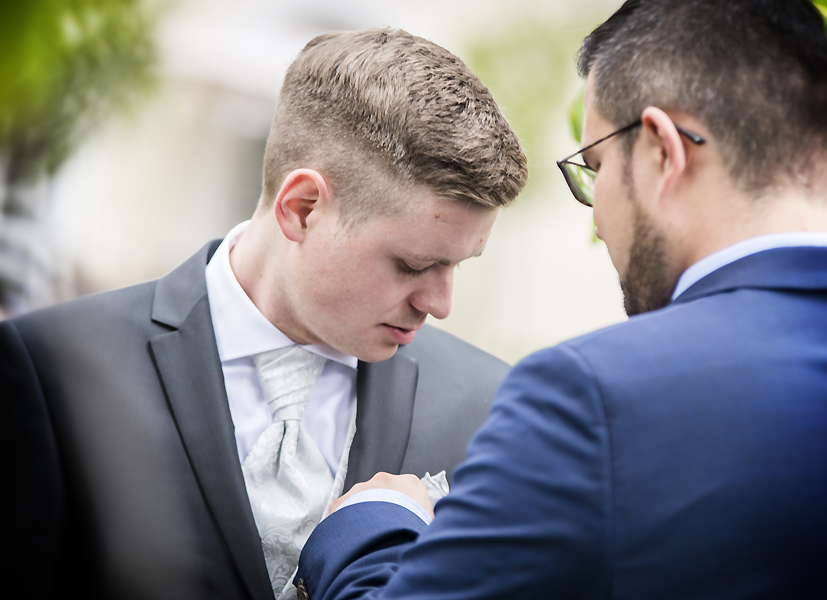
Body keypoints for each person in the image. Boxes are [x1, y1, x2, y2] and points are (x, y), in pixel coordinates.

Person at [293, 2, 827, 599]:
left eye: (596, 166)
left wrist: (373, 520)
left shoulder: (597, 398)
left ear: (664, 151)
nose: (600, 220)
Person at [0, 28, 527, 600]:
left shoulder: (490, 406)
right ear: (301, 208)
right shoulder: (49, 369)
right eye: (412, 264)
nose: (440, 304)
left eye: (458, 265)